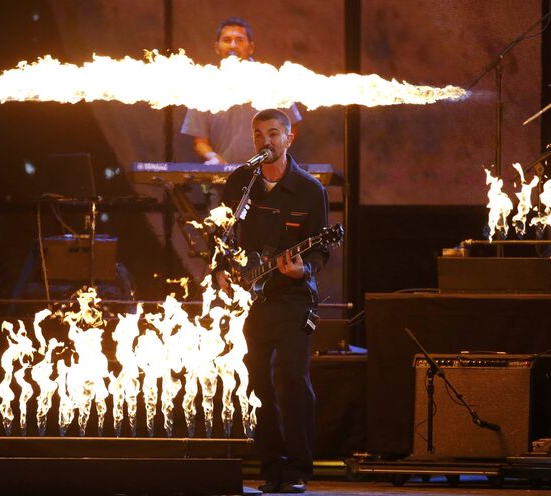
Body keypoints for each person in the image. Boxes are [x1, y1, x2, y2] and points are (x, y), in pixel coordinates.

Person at [215, 109, 329, 494]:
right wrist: (221, 268)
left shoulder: (311, 191)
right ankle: (271, 467)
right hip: (254, 302)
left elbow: (320, 251)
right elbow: (223, 231)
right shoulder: (241, 183)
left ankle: (298, 468)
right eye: (260, 134)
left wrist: (303, 271)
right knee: (256, 382)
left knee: (293, 379)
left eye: (275, 134)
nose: (267, 141)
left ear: (289, 138)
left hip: (294, 299)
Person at [181, 17, 302, 165]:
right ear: (217, 47)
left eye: (239, 40)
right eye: (226, 40)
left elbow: (291, 126)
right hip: (221, 179)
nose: (233, 45)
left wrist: (275, 154)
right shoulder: (204, 84)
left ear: (250, 47)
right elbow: (199, 141)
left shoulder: (270, 79)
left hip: (267, 175)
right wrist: (213, 158)